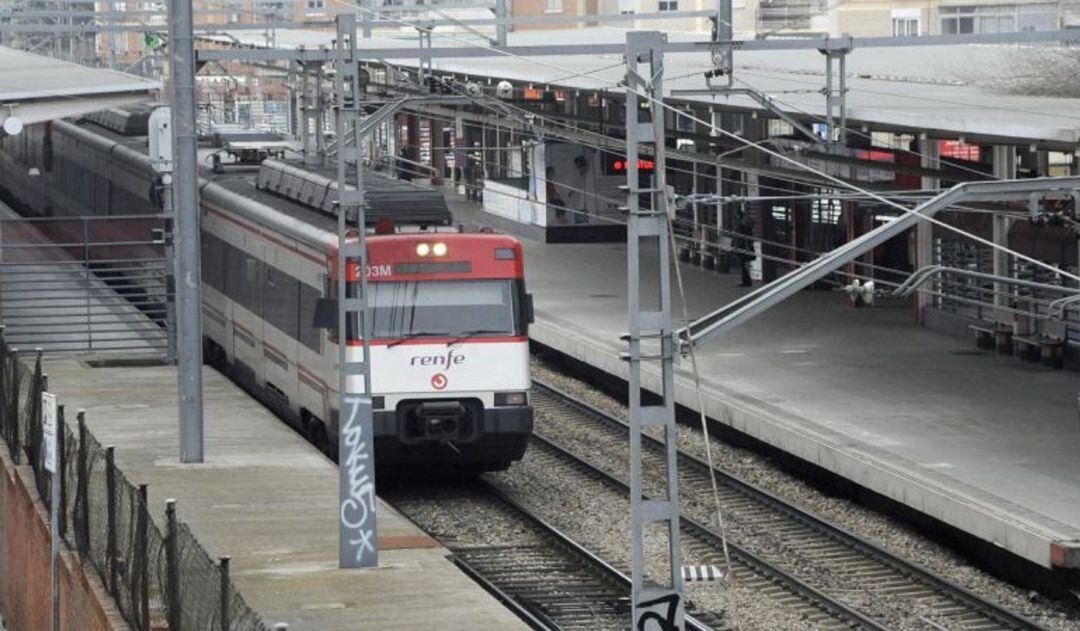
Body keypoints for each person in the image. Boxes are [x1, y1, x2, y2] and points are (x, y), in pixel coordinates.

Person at [732, 210, 754, 287]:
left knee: (743, 265)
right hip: (742, 246)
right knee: (743, 265)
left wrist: (746, 247)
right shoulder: (743, 225)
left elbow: (743, 237)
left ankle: (746, 281)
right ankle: (746, 280)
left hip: (742, 247)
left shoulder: (741, 225)